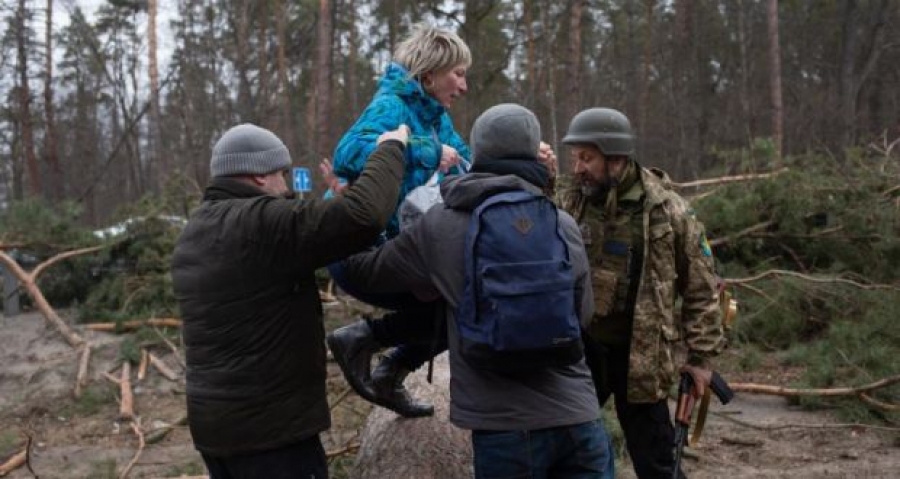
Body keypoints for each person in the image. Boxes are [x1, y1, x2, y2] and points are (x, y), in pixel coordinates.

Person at [338, 104, 614, 478]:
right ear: (533, 152)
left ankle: (376, 345)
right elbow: (581, 316)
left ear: (477, 152)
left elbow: (363, 274)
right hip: (579, 420)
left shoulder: (441, 226)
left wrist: (353, 202)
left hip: (504, 430)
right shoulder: (561, 223)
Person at [171, 122, 410, 478]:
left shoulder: (197, 229)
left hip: (216, 430)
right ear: (258, 176)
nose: (285, 187)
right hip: (272, 436)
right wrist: (391, 147)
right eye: (282, 174)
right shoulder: (259, 223)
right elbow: (364, 215)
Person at [556, 107, 727, 479]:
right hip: (583, 351)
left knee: (657, 464)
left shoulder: (668, 210)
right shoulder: (571, 200)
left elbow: (701, 288)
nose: (578, 167)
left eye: (587, 157)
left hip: (642, 359)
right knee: (560, 448)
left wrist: (701, 358)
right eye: (575, 158)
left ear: (615, 158)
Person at [324, 24, 472, 418]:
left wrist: (520, 158)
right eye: (458, 73)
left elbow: (471, 162)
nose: (463, 85)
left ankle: (387, 369)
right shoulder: (391, 104)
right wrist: (426, 150)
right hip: (357, 247)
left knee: (463, 304)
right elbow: (348, 154)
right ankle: (364, 342)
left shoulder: (438, 118)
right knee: (460, 304)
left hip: (400, 249)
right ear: (430, 74)